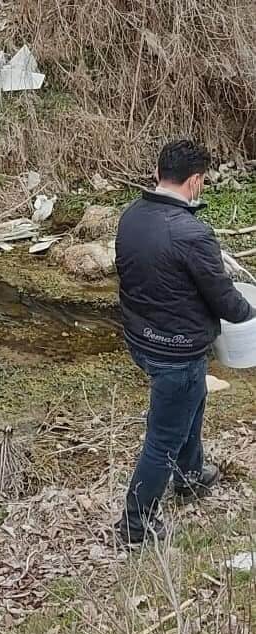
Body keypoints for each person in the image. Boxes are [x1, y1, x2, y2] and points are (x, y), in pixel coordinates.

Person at [114, 140, 254, 546]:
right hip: (177, 351)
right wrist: (251, 312)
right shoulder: (192, 233)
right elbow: (227, 303)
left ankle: (190, 477)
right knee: (162, 438)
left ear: (159, 174)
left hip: (141, 338)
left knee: (191, 402)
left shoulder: (132, 215)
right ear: (195, 182)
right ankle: (135, 524)